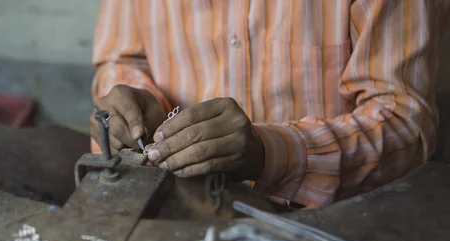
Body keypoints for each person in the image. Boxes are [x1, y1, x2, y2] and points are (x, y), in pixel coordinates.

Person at [90, 0, 450, 208]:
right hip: (181, 202)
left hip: (321, 219)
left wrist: (271, 153)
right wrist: (141, 101)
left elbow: (405, 123)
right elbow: (121, 62)